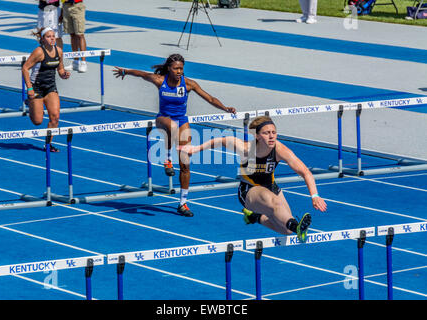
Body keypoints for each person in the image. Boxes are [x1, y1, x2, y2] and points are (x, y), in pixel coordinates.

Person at [113, 54, 236, 217]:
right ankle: (167, 159)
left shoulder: (189, 84)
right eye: (176, 68)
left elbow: (210, 98)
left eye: (181, 69)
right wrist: (125, 72)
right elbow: (142, 74)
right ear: (169, 68)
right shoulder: (159, 80)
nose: (179, 72)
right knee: (171, 126)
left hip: (181, 120)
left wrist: (225, 108)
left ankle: (183, 203)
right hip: (163, 118)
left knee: (185, 164)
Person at [178, 116, 327, 242]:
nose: (271, 136)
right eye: (267, 133)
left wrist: (315, 196)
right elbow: (220, 141)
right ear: (256, 135)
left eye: (274, 132)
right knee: (276, 204)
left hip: (271, 187)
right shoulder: (245, 148)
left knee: (286, 230)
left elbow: (305, 172)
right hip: (249, 190)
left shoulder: (280, 150)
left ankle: (255, 218)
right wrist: (194, 149)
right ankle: (298, 227)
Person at [21, 27, 71, 152]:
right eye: (48, 36)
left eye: (53, 36)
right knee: (37, 121)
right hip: (36, 87)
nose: (52, 38)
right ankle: (31, 103)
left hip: (50, 87)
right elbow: (25, 69)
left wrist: (63, 74)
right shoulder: (39, 52)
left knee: (55, 117)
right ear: (43, 39)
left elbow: (59, 68)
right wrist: (30, 88)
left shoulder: (59, 51)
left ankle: (48, 144)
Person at [61, 0, 87, 72]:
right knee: (72, 35)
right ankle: (75, 62)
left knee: (80, 34)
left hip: (76, 5)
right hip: (65, 6)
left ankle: (83, 62)